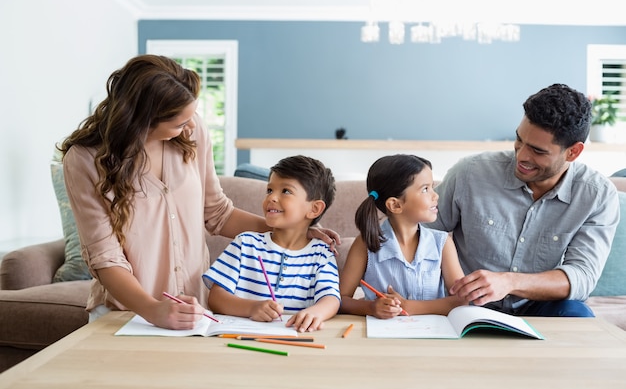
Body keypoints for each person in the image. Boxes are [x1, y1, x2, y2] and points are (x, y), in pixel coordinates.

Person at [60, 55, 338, 331]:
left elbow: (218, 213)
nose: (191, 126)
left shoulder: (191, 134)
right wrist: (153, 310)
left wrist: (294, 230)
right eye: (180, 123)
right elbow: (105, 257)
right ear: (142, 121)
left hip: (194, 311)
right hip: (127, 314)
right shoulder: (84, 160)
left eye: (192, 116)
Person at [427, 83, 620, 317]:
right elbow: (416, 233)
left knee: (577, 313)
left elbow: (581, 277)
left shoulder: (597, 195)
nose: (522, 156)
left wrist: (509, 282)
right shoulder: (470, 173)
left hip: (540, 305)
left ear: (573, 152)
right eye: (519, 140)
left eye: (538, 151)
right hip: (467, 305)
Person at [203, 155, 340, 332]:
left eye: (286, 191)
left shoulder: (321, 253)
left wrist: (316, 313)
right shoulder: (245, 244)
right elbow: (215, 298)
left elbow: (331, 298)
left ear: (314, 209)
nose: (272, 198)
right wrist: (251, 308)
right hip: (240, 339)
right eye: (269, 190)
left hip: (295, 341)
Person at [339, 154, 466, 318]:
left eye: (432, 187)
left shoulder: (442, 243)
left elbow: (461, 300)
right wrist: (371, 307)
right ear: (395, 205)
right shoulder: (365, 244)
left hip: (432, 337)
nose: (436, 195)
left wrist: (410, 307)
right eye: (425, 189)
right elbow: (340, 299)